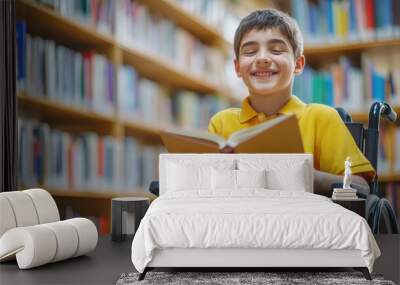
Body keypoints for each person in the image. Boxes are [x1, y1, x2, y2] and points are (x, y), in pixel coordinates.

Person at [208, 9, 375, 196]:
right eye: (250, 51)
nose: (262, 58)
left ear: (298, 64)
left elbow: (362, 187)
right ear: (237, 68)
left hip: (305, 222)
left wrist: (307, 177)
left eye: (276, 50)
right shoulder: (221, 123)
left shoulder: (321, 118)